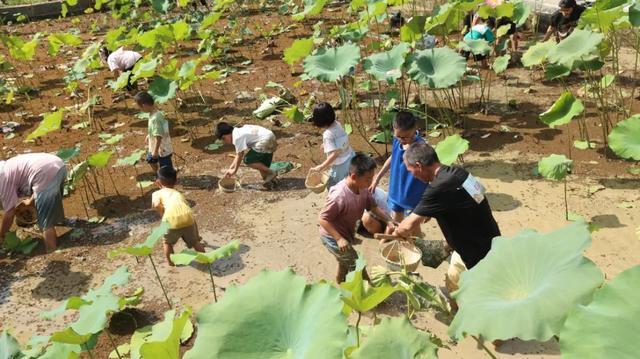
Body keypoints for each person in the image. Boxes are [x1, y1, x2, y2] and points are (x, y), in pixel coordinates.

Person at [393, 142, 501, 294]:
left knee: (480, 294)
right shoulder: (460, 172)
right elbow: (479, 198)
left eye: (411, 171)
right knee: (453, 284)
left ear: (419, 165)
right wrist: (437, 211)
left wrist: (397, 233)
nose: (413, 176)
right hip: (491, 240)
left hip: (475, 254)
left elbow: (406, 227)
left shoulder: (437, 188)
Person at [319, 153, 396, 283]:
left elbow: (373, 208)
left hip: (346, 234)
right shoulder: (339, 196)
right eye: (368, 179)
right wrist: (339, 239)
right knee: (357, 265)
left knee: (345, 263)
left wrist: (389, 220)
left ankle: (340, 285)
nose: (371, 182)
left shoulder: (363, 188)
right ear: (354, 176)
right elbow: (323, 219)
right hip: (332, 237)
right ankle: (370, 292)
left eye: (372, 177)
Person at [369, 111, 427, 235]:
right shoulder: (397, 140)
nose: (401, 140)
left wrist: (427, 206)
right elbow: (393, 157)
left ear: (414, 130)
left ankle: (419, 250)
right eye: (398, 136)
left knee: (413, 228)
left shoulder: (421, 147)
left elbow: (429, 175)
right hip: (396, 190)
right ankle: (397, 248)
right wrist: (377, 178)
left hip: (413, 193)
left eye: (406, 137)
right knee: (396, 225)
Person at [0, 153, 66, 252]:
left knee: (45, 222)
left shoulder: (2, 179)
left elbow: (9, 213)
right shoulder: (4, 167)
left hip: (44, 172)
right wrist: (30, 201)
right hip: (58, 165)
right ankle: (60, 224)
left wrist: (1, 235)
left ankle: (52, 250)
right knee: (49, 204)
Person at [152, 166, 205, 266]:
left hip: (171, 220)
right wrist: (196, 236)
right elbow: (190, 214)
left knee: (167, 243)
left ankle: (171, 263)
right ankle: (206, 259)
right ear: (175, 182)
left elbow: (156, 205)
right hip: (188, 218)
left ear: (158, 182)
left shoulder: (157, 193)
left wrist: (162, 215)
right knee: (195, 242)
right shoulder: (178, 194)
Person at [216, 122, 278, 188]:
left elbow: (240, 155)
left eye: (224, 139)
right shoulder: (239, 130)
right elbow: (238, 155)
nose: (225, 142)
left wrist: (234, 170)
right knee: (261, 165)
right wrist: (231, 167)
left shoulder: (237, 137)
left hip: (264, 141)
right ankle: (272, 180)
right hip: (271, 136)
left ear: (224, 136)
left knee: (247, 160)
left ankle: (271, 172)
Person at [309, 102, 355, 189]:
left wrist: (322, 166)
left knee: (333, 186)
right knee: (350, 184)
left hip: (340, 165)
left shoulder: (327, 134)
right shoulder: (337, 124)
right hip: (351, 157)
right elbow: (340, 139)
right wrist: (325, 144)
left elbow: (335, 154)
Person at [135, 91, 174, 173]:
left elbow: (158, 136)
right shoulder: (154, 113)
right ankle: (158, 174)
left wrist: (155, 151)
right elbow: (156, 130)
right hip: (155, 146)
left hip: (162, 149)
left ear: (144, 105)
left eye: (140, 108)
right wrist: (149, 135)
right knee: (150, 160)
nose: (141, 110)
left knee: (166, 167)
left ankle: (168, 179)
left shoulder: (155, 118)